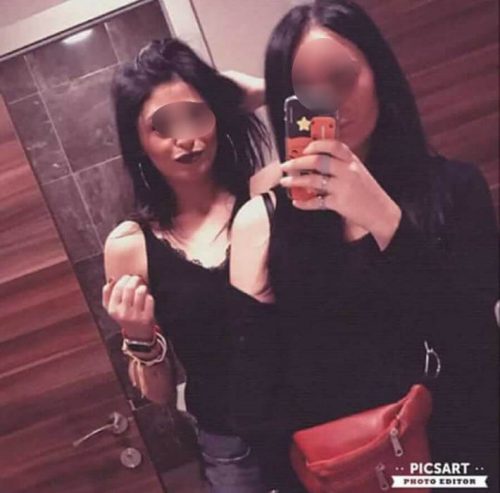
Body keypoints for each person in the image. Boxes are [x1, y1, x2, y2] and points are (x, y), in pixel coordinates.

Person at [228, 1, 499, 491]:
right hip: (347, 474)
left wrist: (386, 221)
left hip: (460, 463)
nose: (328, 100)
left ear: (380, 73)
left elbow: (475, 344)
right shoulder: (262, 224)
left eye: (342, 77)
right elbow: (257, 402)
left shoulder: (455, 189)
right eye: (306, 90)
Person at [101, 38, 273, 492]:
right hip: (232, 451)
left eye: (196, 114)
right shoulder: (129, 245)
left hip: (316, 418)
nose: (186, 138)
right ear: (138, 142)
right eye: (163, 125)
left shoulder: (268, 194)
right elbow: (158, 394)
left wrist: (266, 89)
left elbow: (338, 104)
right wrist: (138, 336)